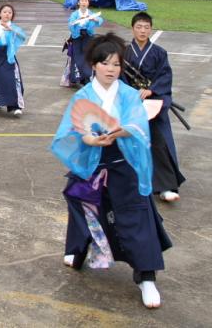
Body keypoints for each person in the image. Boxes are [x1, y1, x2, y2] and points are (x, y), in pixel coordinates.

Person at [51, 32, 171, 309]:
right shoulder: (83, 95)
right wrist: (91, 139)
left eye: (116, 64)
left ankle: (146, 276)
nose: (111, 70)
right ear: (94, 64)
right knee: (85, 209)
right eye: (105, 63)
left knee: (135, 216)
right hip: (93, 162)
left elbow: (139, 124)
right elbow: (72, 130)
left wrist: (122, 131)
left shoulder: (128, 95)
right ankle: (79, 252)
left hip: (123, 162)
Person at [123, 13, 185, 202]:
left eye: (146, 27)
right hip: (131, 104)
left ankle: (165, 186)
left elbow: (165, 77)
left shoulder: (159, 52)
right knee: (127, 142)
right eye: (139, 27)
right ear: (132, 28)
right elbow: (119, 78)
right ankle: (129, 184)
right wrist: (131, 94)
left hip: (154, 103)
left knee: (160, 143)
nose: (142, 31)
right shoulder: (124, 52)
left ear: (151, 29)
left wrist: (151, 90)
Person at [66, 0, 103, 86]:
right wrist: (77, 21)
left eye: (86, 1)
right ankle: (78, 78)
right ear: (78, 3)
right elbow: (70, 24)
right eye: (82, 1)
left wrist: (95, 20)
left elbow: (100, 20)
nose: (84, 3)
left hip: (88, 37)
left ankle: (87, 77)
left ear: (88, 3)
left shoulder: (90, 13)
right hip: (77, 37)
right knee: (78, 57)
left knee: (88, 57)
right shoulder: (74, 14)